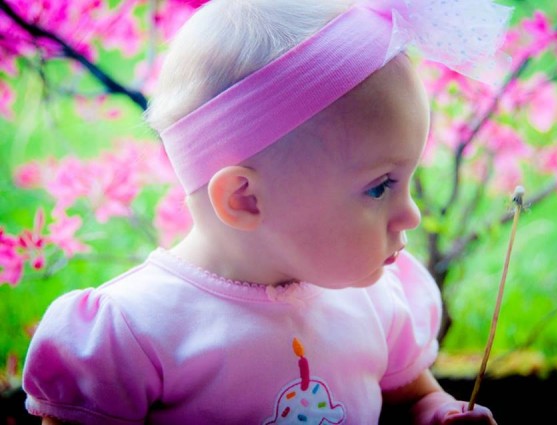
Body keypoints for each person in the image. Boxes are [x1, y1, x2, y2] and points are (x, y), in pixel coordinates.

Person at [22, 0, 512, 423]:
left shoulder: (376, 301)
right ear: (244, 199)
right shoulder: (135, 333)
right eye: (380, 187)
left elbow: (412, 398)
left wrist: (439, 411)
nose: (412, 216)